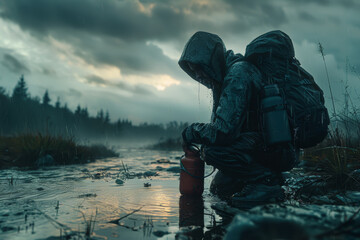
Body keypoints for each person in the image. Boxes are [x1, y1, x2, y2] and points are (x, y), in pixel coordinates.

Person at [178, 31, 298, 209]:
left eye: (199, 68)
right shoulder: (224, 77)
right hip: (264, 146)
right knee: (219, 189)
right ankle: (266, 177)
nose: (198, 76)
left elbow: (223, 132)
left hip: (277, 150)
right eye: (193, 71)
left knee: (212, 151)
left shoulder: (237, 74)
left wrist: (191, 131)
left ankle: (266, 183)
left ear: (210, 61)